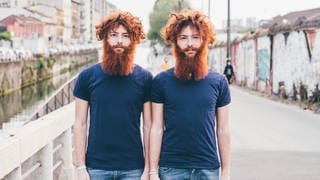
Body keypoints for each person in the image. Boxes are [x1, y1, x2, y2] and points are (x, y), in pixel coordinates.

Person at [149, 10, 231, 180]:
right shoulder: (161, 81)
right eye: (183, 38)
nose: (190, 44)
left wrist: (226, 172)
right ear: (175, 42)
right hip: (171, 168)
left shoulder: (219, 81)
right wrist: (153, 171)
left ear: (204, 40)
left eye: (195, 37)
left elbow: (223, 129)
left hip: (208, 168)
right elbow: (156, 128)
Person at [73, 11, 152, 180]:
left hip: (133, 168)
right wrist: (80, 166)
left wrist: (148, 168)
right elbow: (79, 123)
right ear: (105, 38)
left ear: (133, 40)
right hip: (96, 167)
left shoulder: (145, 79)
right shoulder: (87, 77)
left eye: (125, 36)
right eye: (114, 35)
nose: (119, 41)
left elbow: (148, 126)